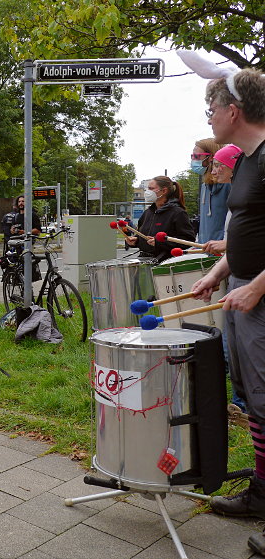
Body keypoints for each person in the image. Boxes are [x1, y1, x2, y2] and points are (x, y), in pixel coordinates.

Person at [189, 68, 265, 555]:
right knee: (253, 397)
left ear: (233, 111)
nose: (210, 118)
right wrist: (221, 272)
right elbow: (249, 233)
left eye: (212, 109)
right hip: (241, 287)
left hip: (259, 295)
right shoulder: (250, 162)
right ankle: (262, 492)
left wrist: (258, 286)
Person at [124, 176, 195, 261]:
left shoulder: (178, 213)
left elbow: (188, 240)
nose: (148, 192)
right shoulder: (148, 213)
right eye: (148, 189)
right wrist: (136, 241)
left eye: (151, 188)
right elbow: (143, 236)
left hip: (166, 264)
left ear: (164, 191)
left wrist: (160, 243)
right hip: (144, 261)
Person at [201, 144, 243, 255]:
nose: (213, 172)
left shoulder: (250, 197)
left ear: (232, 166)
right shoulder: (236, 196)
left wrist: (227, 244)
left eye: (217, 165)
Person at [194, 138, 227, 244]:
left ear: (211, 157)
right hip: (206, 250)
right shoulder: (204, 186)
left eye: (196, 156)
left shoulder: (229, 185)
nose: (193, 160)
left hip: (222, 251)